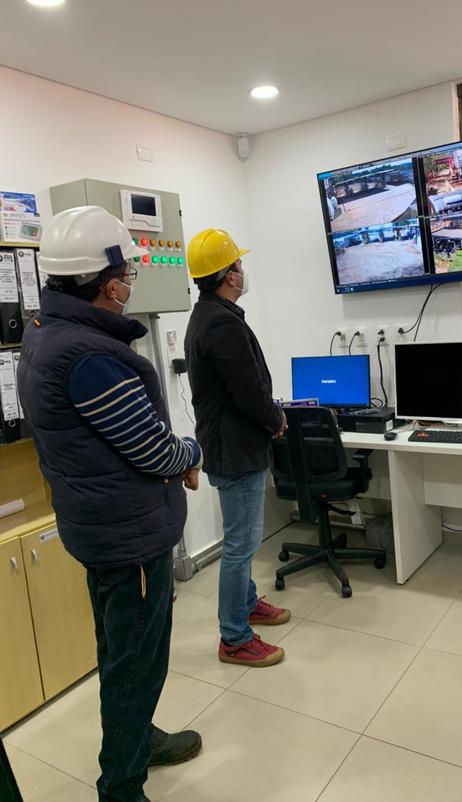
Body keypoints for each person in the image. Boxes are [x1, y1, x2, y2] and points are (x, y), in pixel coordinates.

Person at [17, 206, 203, 802]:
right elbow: (151, 447)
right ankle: (121, 786)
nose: (131, 284)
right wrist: (191, 452)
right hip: (128, 537)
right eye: (126, 272)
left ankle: (140, 738)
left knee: (120, 650)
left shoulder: (47, 332)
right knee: (135, 666)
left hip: (100, 529)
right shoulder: (92, 356)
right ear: (106, 282)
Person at [184, 228, 290, 668]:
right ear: (229, 274)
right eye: (239, 264)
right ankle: (234, 637)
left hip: (230, 445)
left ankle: (246, 603)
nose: (243, 271)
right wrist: (277, 418)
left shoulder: (208, 315)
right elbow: (248, 393)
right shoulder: (221, 324)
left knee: (240, 540)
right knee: (240, 546)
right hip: (237, 448)